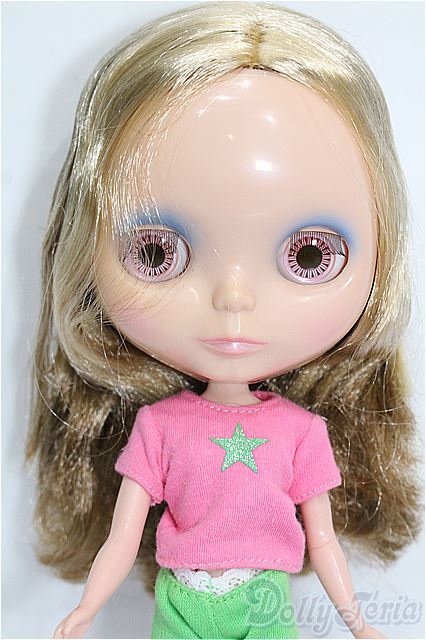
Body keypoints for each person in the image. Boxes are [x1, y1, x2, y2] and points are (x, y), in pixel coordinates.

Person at [25, 3, 420, 638]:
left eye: (309, 255)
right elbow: (124, 535)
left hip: (263, 598)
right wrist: (87, 609)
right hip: (182, 597)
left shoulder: (300, 434)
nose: (233, 298)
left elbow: (322, 540)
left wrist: (357, 621)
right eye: (157, 252)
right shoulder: (159, 428)